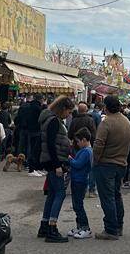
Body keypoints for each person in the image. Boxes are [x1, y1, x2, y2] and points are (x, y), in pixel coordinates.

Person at [92, 95, 130, 240]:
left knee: (107, 197)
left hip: (106, 164)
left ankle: (110, 229)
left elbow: (98, 144)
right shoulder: (126, 121)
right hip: (121, 164)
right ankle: (118, 226)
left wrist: (95, 160)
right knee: (116, 195)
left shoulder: (106, 122)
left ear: (106, 107)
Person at [38, 96, 74, 243]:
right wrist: (57, 165)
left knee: (52, 193)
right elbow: (51, 145)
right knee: (59, 193)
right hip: (55, 161)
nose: (69, 115)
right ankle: (52, 227)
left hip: (51, 160)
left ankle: (44, 225)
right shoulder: (54, 121)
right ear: (63, 109)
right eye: (69, 111)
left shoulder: (50, 119)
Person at [67, 129, 93, 239]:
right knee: (76, 205)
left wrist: (70, 159)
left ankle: (85, 228)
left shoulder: (86, 151)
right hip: (78, 179)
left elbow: (78, 164)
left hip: (80, 180)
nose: (77, 144)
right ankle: (80, 226)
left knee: (78, 205)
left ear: (84, 140)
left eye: (78, 141)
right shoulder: (86, 151)